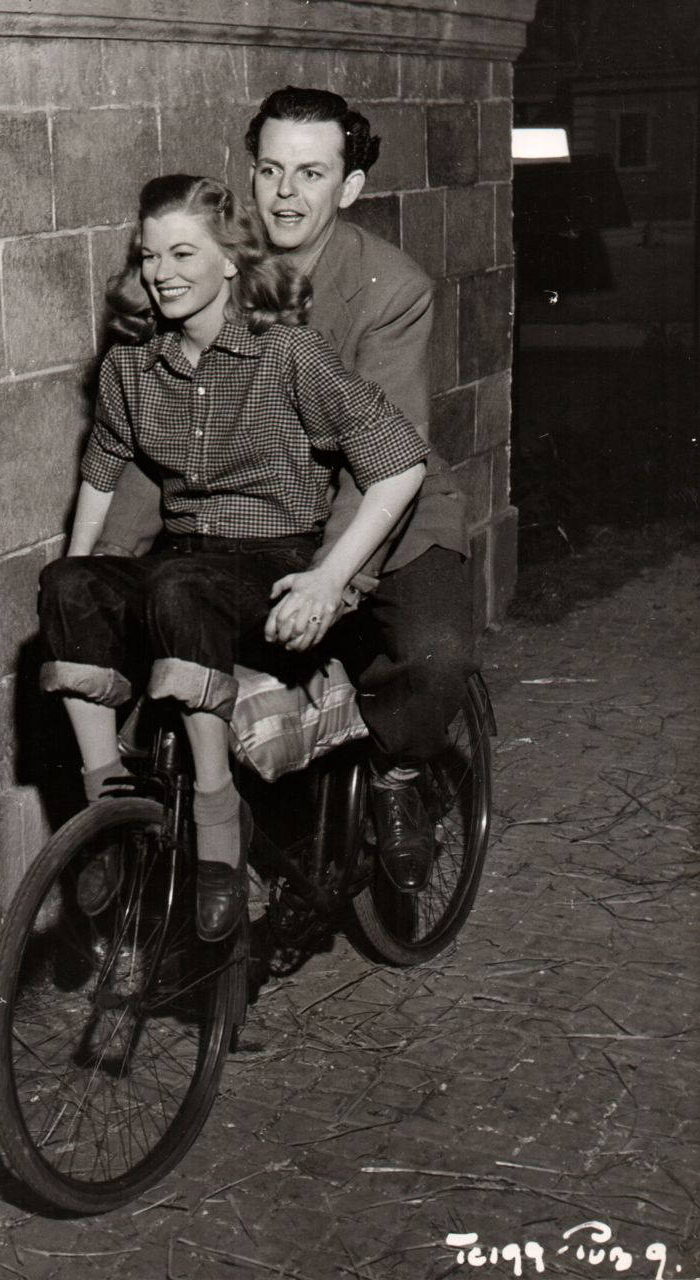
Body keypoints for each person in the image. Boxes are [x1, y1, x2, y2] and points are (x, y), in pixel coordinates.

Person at [96, 87, 474, 895]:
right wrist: (109, 558)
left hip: (382, 512)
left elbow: (376, 465)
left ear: (349, 187)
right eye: (269, 170)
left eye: (311, 173)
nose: (285, 195)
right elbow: (147, 437)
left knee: (433, 650)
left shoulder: (389, 287)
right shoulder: (209, 264)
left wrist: (334, 582)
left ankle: (399, 777)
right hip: (261, 508)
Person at [38, 173, 427, 943]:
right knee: (66, 578)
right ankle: (106, 806)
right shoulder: (131, 367)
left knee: (180, 584)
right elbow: (100, 475)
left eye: (184, 253)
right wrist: (79, 590)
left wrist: (327, 576)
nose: (162, 273)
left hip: (270, 562)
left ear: (230, 263)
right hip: (187, 562)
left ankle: (218, 825)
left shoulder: (288, 355)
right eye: (149, 256)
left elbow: (399, 461)